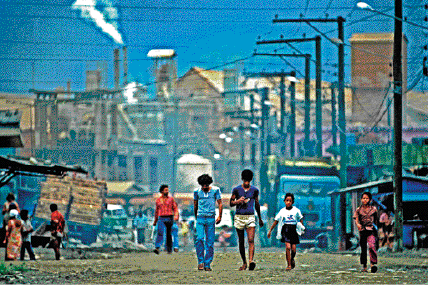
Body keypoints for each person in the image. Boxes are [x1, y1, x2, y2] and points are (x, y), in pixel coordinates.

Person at [230, 169, 264, 271]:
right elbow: (231, 203)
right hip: (239, 217)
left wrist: (260, 218)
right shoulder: (236, 190)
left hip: (250, 217)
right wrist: (238, 201)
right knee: (241, 241)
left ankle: (250, 261)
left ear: (251, 180)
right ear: (242, 179)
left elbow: (257, 204)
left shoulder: (254, 190)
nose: (246, 183)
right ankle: (244, 262)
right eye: (245, 180)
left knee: (251, 240)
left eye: (248, 181)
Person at [193, 174, 222, 271]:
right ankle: (200, 261)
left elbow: (220, 203)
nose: (204, 187)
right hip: (200, 218)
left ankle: (207, 263)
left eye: (206, 185)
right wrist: (196, 216)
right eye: (203, 185)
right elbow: (195, 204)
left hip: (210, 218)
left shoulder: (215, 190)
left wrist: (220, 216)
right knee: (199, 239)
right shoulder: (196, 191)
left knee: (209, 242)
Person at [267, 193, 304, 271]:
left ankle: (292, 258)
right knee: (288, 247)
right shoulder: (282, 211)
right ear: (284, 201)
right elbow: (276, 221)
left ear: (292, 202)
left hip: (293, 230)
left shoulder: (296, 210)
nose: (288, 202)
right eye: (287, 200)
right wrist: (270, 230)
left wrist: (301, 228)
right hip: (286, 229)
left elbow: (300, 219)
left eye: (290, 201)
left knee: (293, 249)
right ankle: (289, 265)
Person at [353, 192, 378, 273]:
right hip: (362, 230)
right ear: (361, 199)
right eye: (363, 198)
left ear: (370, 199)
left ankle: (372, 264)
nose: (365, 200)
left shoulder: (373, 209)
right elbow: (356, 219)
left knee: (371, 246)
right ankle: (364, 266)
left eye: (367, 198)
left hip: (371, 230)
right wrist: (358, 224)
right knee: (363, 249)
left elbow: (376, 219)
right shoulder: (358, 210)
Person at [153, 184, 179, 254]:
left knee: (169, 234)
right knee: (160, 232)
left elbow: (175, 208)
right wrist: (155, 221)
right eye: (165, 190)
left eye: (167, 190)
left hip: (169, 217)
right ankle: (157, 247)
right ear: (162, 191)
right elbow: (156, 211)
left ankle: (169, 249)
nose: (167, 191)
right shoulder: (158, 200)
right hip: (161, 218)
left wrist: (176, 216)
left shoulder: (171, 199)